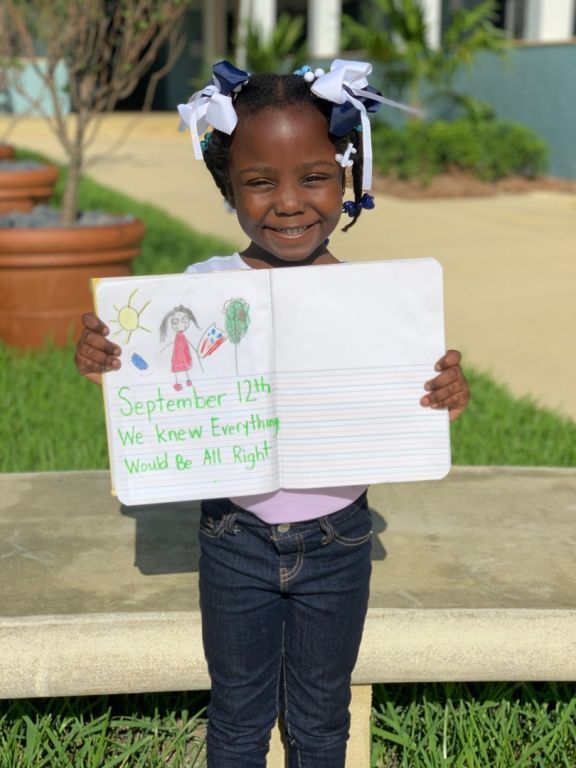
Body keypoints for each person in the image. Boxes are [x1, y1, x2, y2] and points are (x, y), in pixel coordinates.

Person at [74, 59, 470, 768]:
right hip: (234, 536)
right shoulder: (196, 290)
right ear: (229, 187)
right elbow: (145, 371)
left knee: (321, 721)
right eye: (260, 182)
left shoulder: (379, 304)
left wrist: (442, 394)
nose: (289, 202)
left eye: (314, 176)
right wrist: (105, 353)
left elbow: (407, 410)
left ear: (346, 178)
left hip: (340, 540)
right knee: (236, 716)